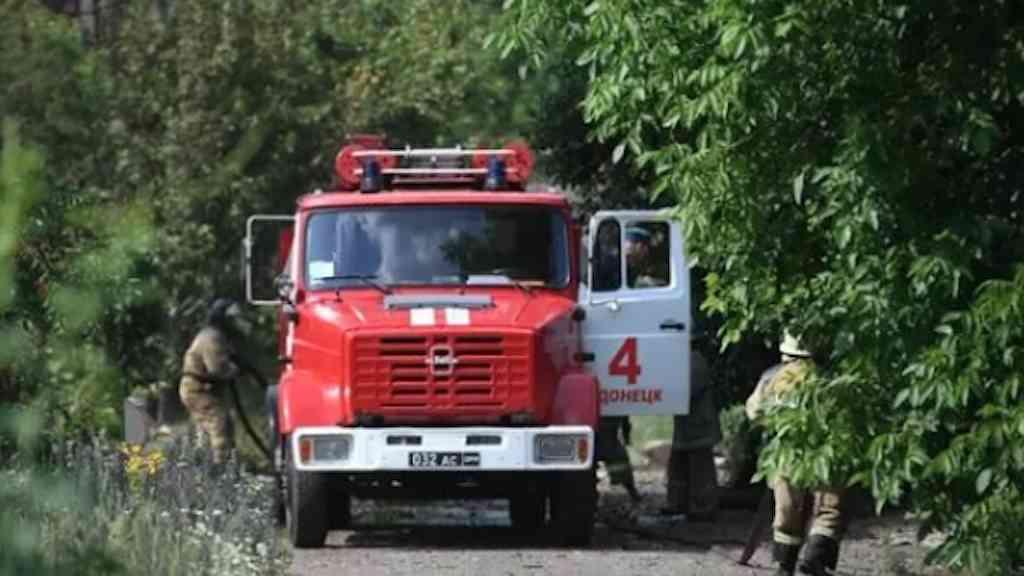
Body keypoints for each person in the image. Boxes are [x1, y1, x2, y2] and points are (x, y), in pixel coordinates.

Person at [746, 332, 844, 576]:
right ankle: (815, 558)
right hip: (826, 453)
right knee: (829, 508)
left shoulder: (772, 376)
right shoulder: (829, 379)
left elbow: (754, 411)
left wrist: (774, 424)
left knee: (788, 509)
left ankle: (784, 565)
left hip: (786, 453)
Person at [179, 298, 250, 464]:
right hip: (199, 390)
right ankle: (219, 469)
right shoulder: (211, 338)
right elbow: (217, 369)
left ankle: (211, 465)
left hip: (204, 390)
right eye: (232, 319)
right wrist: (236, 370)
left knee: (218, 427)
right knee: (218, 428)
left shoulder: (217, 336)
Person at [663, 334, 721, 520]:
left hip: (699, 425)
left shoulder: (694, 360)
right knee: (678, 466)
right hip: (688, 426)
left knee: (700, 469)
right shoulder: (685, 360)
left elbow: (688, 390)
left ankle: (703, 508)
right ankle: (679, 504)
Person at [596, 416, 642, 502]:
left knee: (622, 463)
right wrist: (626, 439)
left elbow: (625, 423)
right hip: (603, 440)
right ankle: (632, 491)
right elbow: (625, 424)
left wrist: (627, 439)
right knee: (621, 461)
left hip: (609, 440)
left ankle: (632, 491)